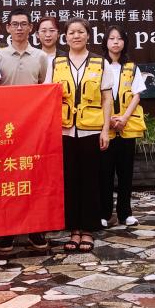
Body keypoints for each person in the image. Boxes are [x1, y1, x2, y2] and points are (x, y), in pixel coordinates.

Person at [46, 17, 111, 253]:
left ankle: (88, 230)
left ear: (88, 36)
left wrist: (105, 130)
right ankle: (73, 230)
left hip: (91, 130)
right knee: (70, 181)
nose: (76, 36)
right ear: (65, 37)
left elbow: (107, 99)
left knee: (91, 181)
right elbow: (48, 97)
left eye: (81, 32)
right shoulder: (56, 63)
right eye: (72, 32)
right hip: (64, 131)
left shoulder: (100, 62)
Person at [0, 8, 50, 254]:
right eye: (14, 24)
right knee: (7, 180)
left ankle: (34, 229)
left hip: (32, 129)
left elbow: (45, 89)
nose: (19, 28)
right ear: (7, 28)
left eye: (23, 24)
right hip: (5, 130)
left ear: (30, 28)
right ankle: (7, 231)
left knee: (33, 179)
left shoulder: (41, 57)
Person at [99, 26, 147, 228]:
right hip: (105, 127)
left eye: (119, 38)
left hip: (127, 127)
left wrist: (125, 118)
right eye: (111, 38)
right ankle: (104, 213)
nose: (115, 42)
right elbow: (96, 95)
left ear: (125, 42)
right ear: (106, 42)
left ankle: (125, 213)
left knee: (126, 173)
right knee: (105, 173)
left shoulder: (132, 67)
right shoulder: (98, 66)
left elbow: (137, 94)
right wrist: (109, 120)